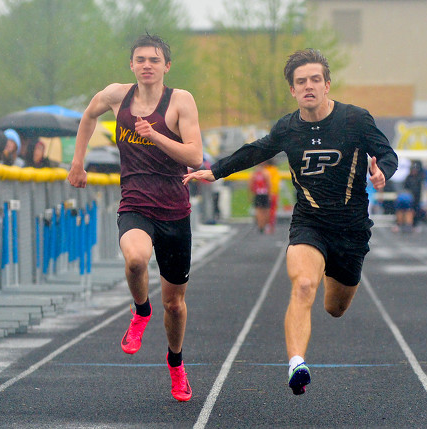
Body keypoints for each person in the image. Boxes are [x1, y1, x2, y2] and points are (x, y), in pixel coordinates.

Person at [182, 49, 398, 395]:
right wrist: (216, 171)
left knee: (335, 307)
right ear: (293, 90)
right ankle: (296, 363)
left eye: (315, 80)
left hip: (351, 229)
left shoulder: (355, 120)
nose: (309, 86)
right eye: (301, 82)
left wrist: (381, 172)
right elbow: (256, 150)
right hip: (309, 223)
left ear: (327, 85)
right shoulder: (288, 128)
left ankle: (332, 272)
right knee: (302, 286)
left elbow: (387, 154)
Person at [67, 33, 203, 402]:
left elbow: (194, 156)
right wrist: (77, 161)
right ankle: (140, 311)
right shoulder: (116, 95)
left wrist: (155, 135)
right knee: (135, 259)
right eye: (140, 59)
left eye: (154, 60)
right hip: (135, 203)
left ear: (166, 66)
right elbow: (87, 116)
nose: (147, 65)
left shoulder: (180, 101)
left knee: (174, 304)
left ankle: (176, 363)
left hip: (175, 211)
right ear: (131, 65)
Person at [249, 162, 272, 233]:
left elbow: (250, 185)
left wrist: (251, 195)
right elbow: (269, 184)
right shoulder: (265, 173)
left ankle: (260, 226)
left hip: (258, 194)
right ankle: (265, 225)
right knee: (265, 210)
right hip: (264, 194)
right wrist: (269, 194)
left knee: (259, 210)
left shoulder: (254, 174)